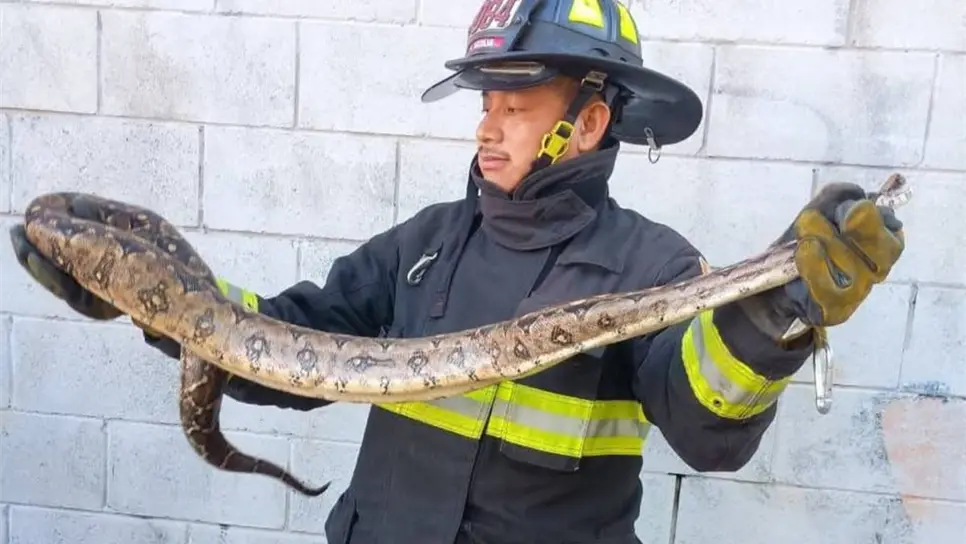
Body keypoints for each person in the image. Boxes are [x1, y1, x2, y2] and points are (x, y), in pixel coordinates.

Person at [10, 1, 905, 542]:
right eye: (486, 105)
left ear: (587, 126)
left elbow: (711, 427)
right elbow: (288, 341)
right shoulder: (427, 242)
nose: (487, 128)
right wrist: (158, 307)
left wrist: (781, 310)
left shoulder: (652, 267)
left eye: (515, 107)